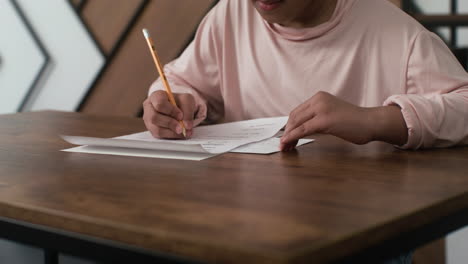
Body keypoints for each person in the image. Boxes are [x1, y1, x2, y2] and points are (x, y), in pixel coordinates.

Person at [143, 1, 468, 262]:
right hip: (246, 224)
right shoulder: (232, 14)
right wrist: (171, 102)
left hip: (358, 231)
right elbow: (183, 80)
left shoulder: (396, 32)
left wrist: (373, 121)